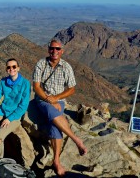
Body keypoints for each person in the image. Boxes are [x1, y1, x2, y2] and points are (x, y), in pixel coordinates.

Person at [32, 37, 87, 176]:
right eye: (52, 48)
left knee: (54, 124)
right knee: (52, 113)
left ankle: (56, 161)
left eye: (57, 49)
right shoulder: (41, 64)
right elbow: (36, 87)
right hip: (42, 99)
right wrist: (48, 99)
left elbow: (72, 88)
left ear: (61, 51)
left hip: (59, 101)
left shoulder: (66, 67)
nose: (54, 51)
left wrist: (56, 98)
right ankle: (76, 140)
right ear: (48, 49)